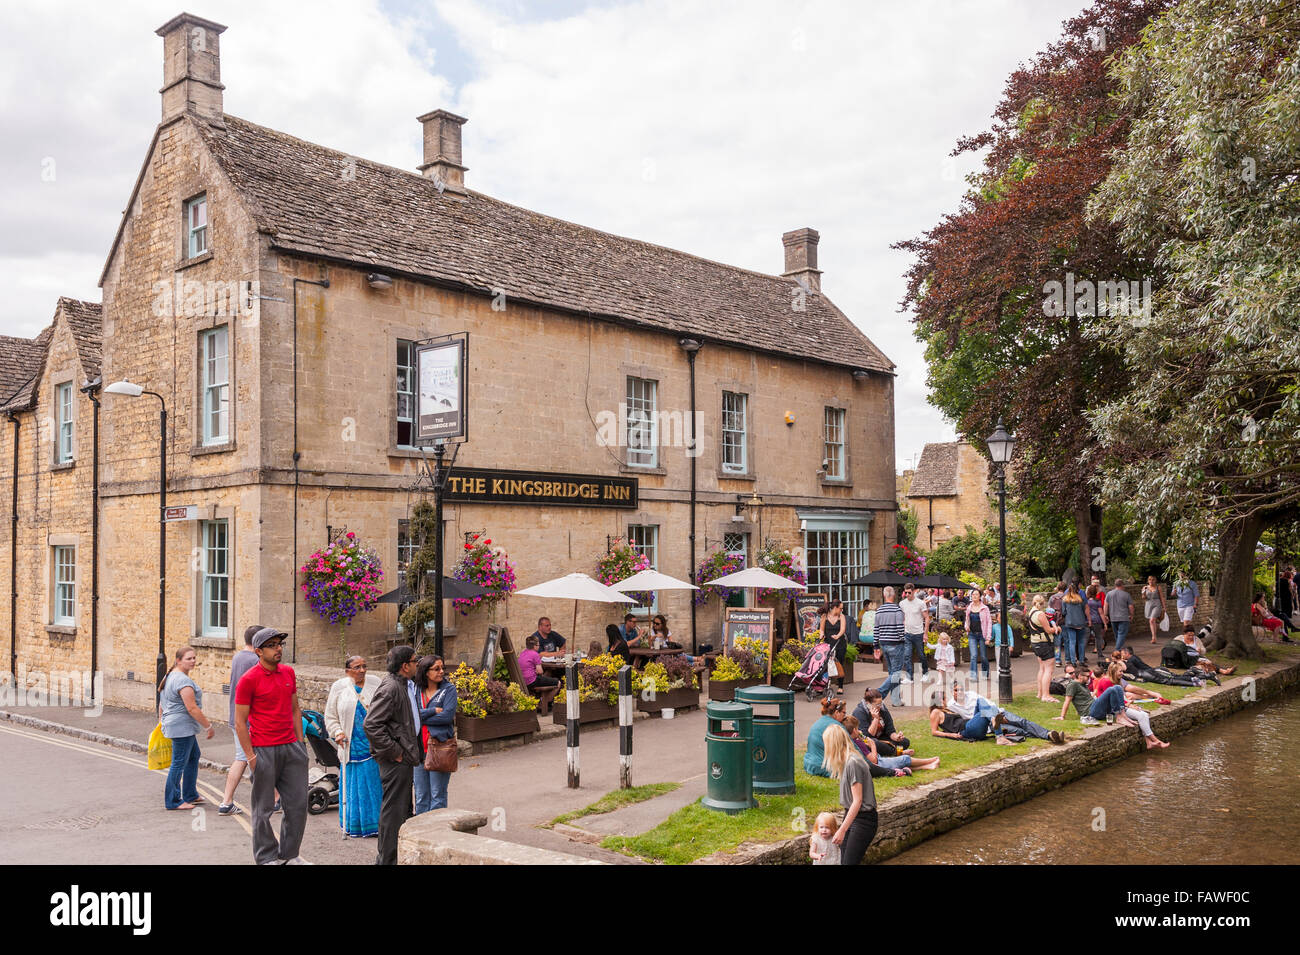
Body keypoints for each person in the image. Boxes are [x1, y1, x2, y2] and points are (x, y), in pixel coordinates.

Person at [233, 627, 309, 865]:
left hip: (291, 748)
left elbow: (295, 709)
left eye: (280, 644)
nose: (278, 649)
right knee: (263, 810)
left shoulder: (288, 673)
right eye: (273, 645)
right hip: (263, 750)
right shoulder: (248, 680)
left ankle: (289, 855)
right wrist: (251, 757)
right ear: (258, 651)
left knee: (297, 806)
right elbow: (239, 721)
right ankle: (266, 857)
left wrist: (301, 744)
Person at [363, 645, 422, 866]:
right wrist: (395, 752)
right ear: (405, 666)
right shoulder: (390, 688)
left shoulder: (404, 684)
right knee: (393, 813)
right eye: (415, 661)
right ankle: (386, 860)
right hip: (396, 760)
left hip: (405, 757)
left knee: (402, 810)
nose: (417, 664)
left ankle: (398, 857)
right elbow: (371, 725)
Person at [324, 654, 383, 838]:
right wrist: (337, 733)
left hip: (373, 745)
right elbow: (330, 716)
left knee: (374, 785)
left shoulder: (375, 683)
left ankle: (377, 825)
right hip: (350, 746)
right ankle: (355, 825)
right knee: (353, 787)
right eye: (357, 667)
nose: (362, 670)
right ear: (348, 671)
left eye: (364, 666)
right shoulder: (339, 687)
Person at [159, 646, 215, 811]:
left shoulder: (170, 676)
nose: (193, 661)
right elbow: (192, 708)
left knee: (193, 756)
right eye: (188, 658)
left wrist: (161, 720)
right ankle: (173, 800)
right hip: (181, 727)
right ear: (178, 660)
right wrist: (208, 726)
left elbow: (162, 702)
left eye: (194, 658)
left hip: (178, 725)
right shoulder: (182, 680)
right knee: (178, 762)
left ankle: (190, 794)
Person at [218, 625, 262, 815]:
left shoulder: (238, 656)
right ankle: (226, 801)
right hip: (249, 719)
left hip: (236, 715)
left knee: (251, 758)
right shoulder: (254, 660)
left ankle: (273, 798)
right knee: (245, 758)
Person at [822, 724, 878, 865]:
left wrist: (842, 830)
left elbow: (858, 801)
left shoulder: (853, 763)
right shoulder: (846, 762)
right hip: (852, 816)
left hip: (864, 819)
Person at [948, 680, 1065, 745]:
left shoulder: (972, 694)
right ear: (952, 692)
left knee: (1021, 722)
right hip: (983, 722)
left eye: (961, 689)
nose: (960, 692)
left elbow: (990, 704)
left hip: (997, 713)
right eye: (956, 690)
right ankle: (1048, 736)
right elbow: (958, 722)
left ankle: (1049, 735)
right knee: (1019, 731)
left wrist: (995, 714)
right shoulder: (951, 705)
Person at [413, 654, 457, 814]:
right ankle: (421, 833)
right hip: (418, 750)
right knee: (420, 796)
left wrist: (420, 717)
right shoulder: (416, 689)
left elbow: (446, 717)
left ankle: (437, 831)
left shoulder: (449, 689)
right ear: (425, 671)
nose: (441, 672)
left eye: (442, 668)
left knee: (438, 795)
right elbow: (411, 716)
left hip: (440, 747)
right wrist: (432, 711)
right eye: (436, 669)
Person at [1088, 676, 1170, 748]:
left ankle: (1148, 741)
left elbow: (1118, 700)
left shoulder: (1117, 684)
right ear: (1114, 672)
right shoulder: (1105, 681)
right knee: (1112, 690)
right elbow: (1110, 699)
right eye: (1120, 671)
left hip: (1109, 710)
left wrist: (1127, 705)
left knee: (1118, 688)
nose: (1122, 673)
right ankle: (1120, 717)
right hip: (1097, 711)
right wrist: (1128, 705)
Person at [844, 715, 941, 771]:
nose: (859, 730)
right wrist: (873, 745)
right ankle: (930, 761)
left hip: (878, 761)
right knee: (905, 759)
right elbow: (874, 761)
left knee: (899, 762)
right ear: (854, 730)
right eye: (857, 729)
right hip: (878, 764)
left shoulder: (852, 741)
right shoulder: (857, 744)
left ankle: (928, 766)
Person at [873, 587, 908, 706]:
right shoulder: (897, 610)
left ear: (884, 595)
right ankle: (879, 693)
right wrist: (904, 639)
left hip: (884, 643)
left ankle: (896, 700)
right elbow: (900, 628)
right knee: (896, 673)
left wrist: (875, 646)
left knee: (892, 673)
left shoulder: (879, 610)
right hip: (896, 643)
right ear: (893, 596)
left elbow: (876, 630)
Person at [853, 688, 912, 753]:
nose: (880, 706)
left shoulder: (882, 708)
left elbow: (890, 730)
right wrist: (876, 719)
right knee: (875, 743)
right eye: (878, 704)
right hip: (868, 741)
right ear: (868, 703)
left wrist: (896, 737)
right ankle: (897, 752)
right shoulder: (859, 712)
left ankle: (888, 748)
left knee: (905, 742)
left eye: (881, 703)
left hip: (881, 738)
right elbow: (866, 737)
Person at [804, 696, 849, 777]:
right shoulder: (837, 726)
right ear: (836, 713)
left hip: (809, 764)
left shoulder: (817, 723)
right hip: (824, 768)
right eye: (844, 713)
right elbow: (853, 749)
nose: (845, 716)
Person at [1026, 594, 1059, 702]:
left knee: (1042, 668)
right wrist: (1057, 629)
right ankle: (1046, 695)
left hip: (1035, 642)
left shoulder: (1031, 612)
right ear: (1042, 602)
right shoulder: (1040, 614)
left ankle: (1040, 693)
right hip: (1044, 643)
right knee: (1049, 669)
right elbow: (1049, 630)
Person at [898, 584, 930, 684]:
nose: (907, 594)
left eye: (909, 592)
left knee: (921, 655)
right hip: (907, 633)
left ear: (914, 591)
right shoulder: (902, 603)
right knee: (907, 655)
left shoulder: (920, 603)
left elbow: (927, 618)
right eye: (905, 592)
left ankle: (925, 673)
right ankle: (909, 677)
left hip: (919, 633)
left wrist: (925, 633)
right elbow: (902, 617)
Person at [819, 599, 849, 695]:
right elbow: (821, 629)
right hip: (828, 644)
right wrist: (821, 635)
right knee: (826, 665)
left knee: (839, 663)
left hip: (840, 644)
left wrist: (838, 636)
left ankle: (840, 686)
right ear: (835, 608)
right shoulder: (825, 616)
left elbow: (842, 629)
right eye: (840, 608)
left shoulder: (841, 617)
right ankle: (825, 684)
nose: (842, 610)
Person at [964, 589, 992, 680]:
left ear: (980, 596)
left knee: (983, 657)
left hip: (982, 635)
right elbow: (967, 620)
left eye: (976, 594)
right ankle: (973, 676)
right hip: (972, 634)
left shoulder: (985, 608)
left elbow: (989, 623)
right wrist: (966, 626)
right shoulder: (969, 607)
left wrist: (988, 637)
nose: (974, 596)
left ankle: (985, 673)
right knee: (973, 656)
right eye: (973, 595)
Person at [1061, 582, 1088, 667]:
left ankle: (1073, 661)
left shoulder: (1065, 600)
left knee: (1072, 642)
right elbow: (1084, 609)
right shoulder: (1080, 599)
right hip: (1080, 622)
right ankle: (1082, 660)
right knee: (1081, 642)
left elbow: (1063, 612)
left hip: (1070, 622)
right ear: (1077, 590)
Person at [1105, 579, 1134, 651]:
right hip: (1124, 617)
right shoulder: (1126, 594)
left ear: (1115, 585)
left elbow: (1105, 605)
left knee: (1117, 636)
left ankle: (1121, 650)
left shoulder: (1109, 594)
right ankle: (1117, 650)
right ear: (1122, 585)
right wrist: (1131, 614)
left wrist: (1105, 615)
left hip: (1113, 618)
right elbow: (1131, 606)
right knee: (1121, 635)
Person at [1142, 575, 1168, 644]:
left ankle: (1154, 637)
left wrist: (1164, 607)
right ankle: (1154, 631)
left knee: (1152, 620)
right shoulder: (1145, 587)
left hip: (1157, 605)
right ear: (1148, 580)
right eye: (1150, 579)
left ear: (1155, 580)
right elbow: (1144, 598)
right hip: (1148, 605)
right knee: (1152, 621)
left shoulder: (1158, 587)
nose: (1151, 581)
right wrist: (1143, 592)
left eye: (1153, 579)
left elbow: (1161, 597)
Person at [1085, 585, 1108, 660]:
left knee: (1085, 639)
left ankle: (1081, 655)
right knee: (1098, 637)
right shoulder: (1097, 601)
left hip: (1087, 621)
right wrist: (1105, 623)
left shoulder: (1086, 601)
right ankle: (1100, 654)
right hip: (1097, 621)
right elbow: (1101, 613)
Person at [933, 629, 956, 695]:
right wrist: (927, 643)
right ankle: (940, 680)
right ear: (940, 640)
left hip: (948, 661)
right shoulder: (938, 645)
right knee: (940, 670)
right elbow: (932, 647)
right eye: (943, 639)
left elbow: (952, 654)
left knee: (950, 671)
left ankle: (952, 678)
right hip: (941, 660)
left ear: (948, 639)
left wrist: (953, 661)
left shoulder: (950, 647)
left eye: (946, 639)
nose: (945, 640)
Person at [1048, 583, 1066, 664]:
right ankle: (1068, 660)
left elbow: (1048, 610)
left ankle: (1057, 660)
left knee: (1057, 644)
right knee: (1067, 642)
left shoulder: (1052, 597)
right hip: (1064, 621)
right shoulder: (1066, 597)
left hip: (1055, 622)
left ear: (1058, 588)